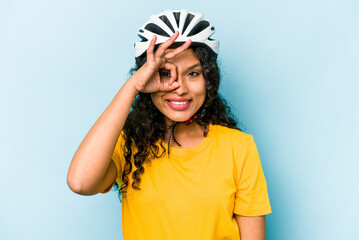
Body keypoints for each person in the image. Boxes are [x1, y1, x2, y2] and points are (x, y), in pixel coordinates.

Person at [67, 9, 272, 240]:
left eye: (193, 73)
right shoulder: (128, 144)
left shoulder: (239, 148)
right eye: (165, 73)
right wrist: (132, 86)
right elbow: (80, 182)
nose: (180, 87)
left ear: (209, 79)